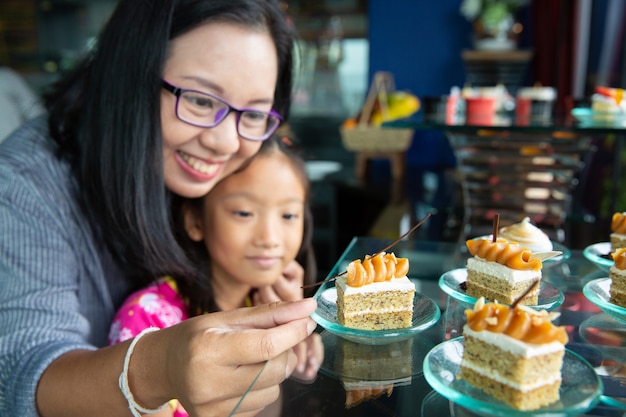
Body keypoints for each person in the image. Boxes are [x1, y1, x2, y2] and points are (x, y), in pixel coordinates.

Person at [0, 1, 318, 417]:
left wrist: (258, 295)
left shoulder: (212, 165)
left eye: (255, 113)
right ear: (129, 75)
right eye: (202, 101)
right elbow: (20, 375)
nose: (225, 143)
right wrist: (158, 369)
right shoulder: (25, 184)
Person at [109, 136, 323, 416]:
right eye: (245, 213)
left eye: (288, 215)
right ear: (195, 221)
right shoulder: (147, 321)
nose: (271, 239)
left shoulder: (263, 306)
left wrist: (287, 342)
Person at [0, 66, 44, 142]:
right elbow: (36, 112)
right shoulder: (5, 76)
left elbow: (35, 111)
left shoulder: (5, 76)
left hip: (19, 145)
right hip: (19, 145)